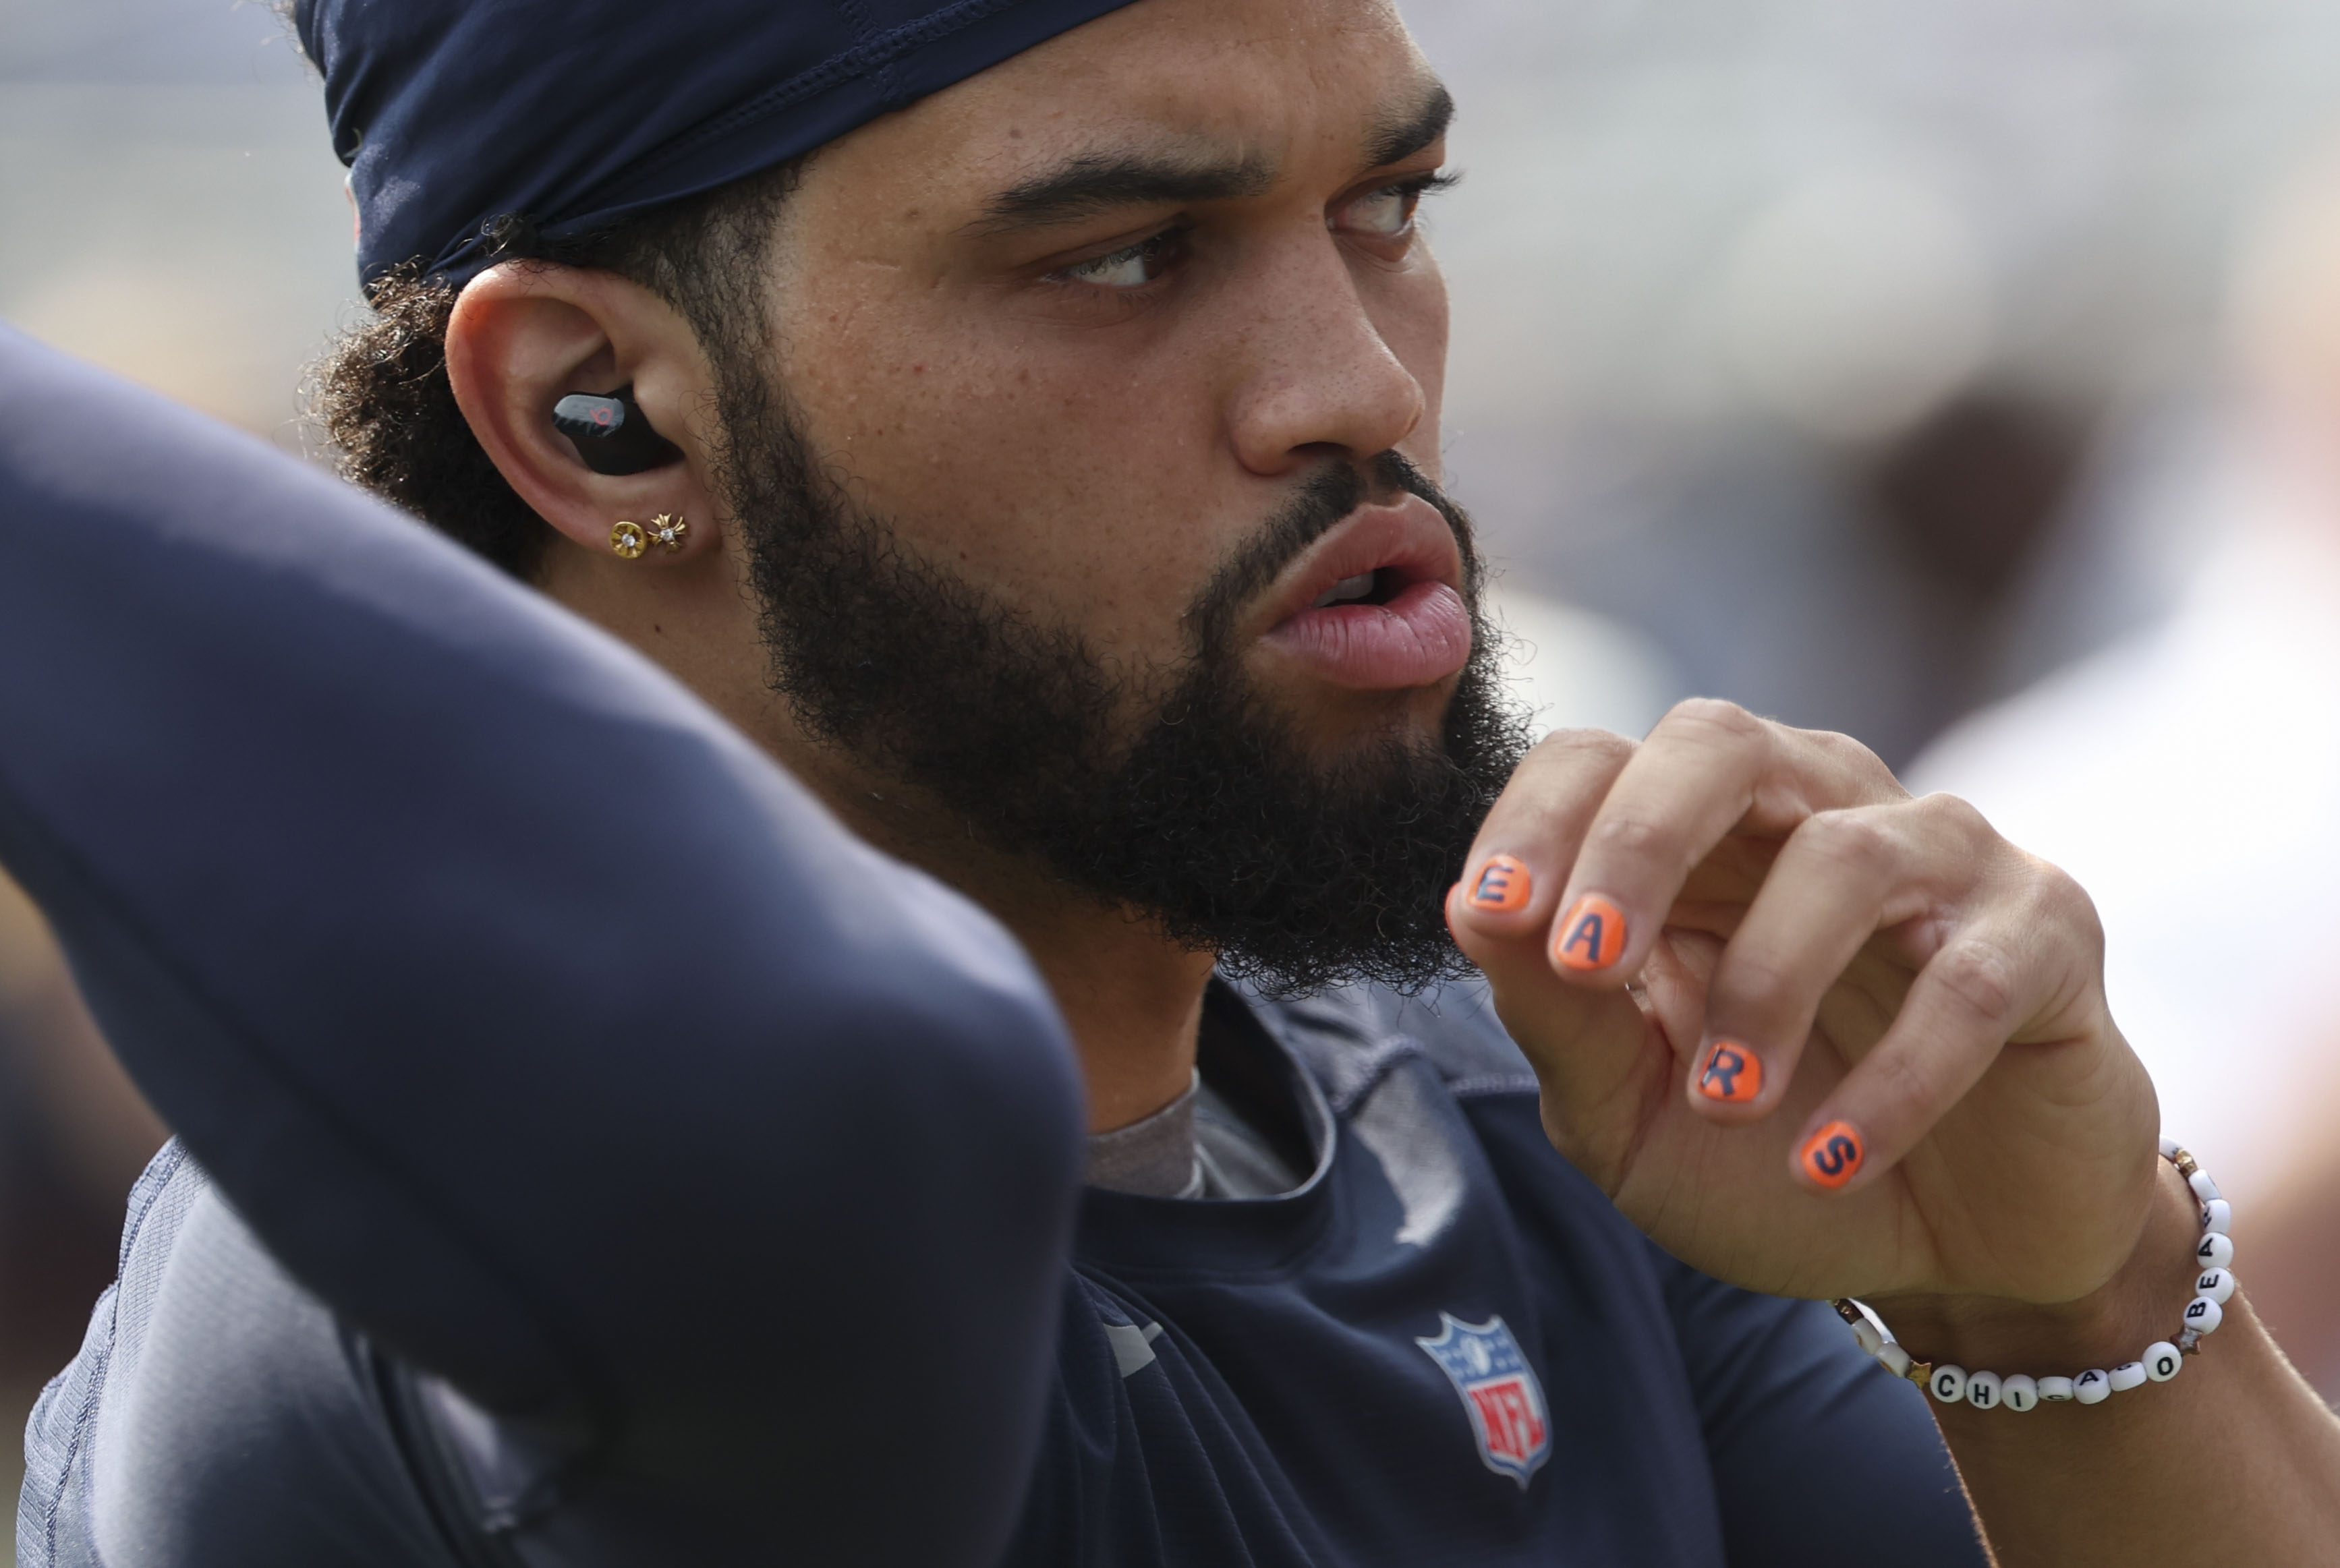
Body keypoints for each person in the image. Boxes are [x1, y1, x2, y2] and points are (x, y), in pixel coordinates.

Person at [11, 1, 2340, 1564]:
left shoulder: (1536, 1095)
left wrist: (2064, 1294)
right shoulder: (459, 1301)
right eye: (1125, 255)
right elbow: (822, 1090)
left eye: (1388, 210)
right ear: (596, 412)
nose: (1357, 380)